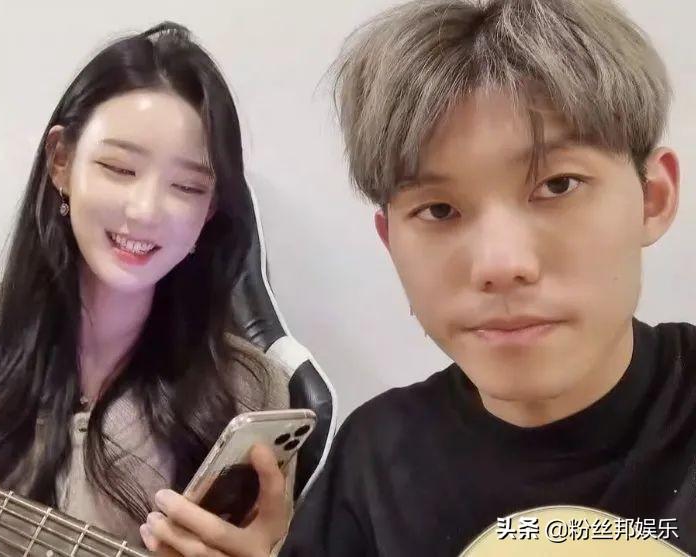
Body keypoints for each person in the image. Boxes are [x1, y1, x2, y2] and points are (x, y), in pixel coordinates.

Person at [0, 22, 291, 557]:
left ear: (211, 208)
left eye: (187, 186)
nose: (146, 210)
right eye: (119, 168)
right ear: (61, 162)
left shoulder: (250, 388)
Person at [279, 0, 695, 555]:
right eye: (439, 210)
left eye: (558, 185)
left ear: (653, 197)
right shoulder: (375, 461)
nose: (500, 265)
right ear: (391, 241)